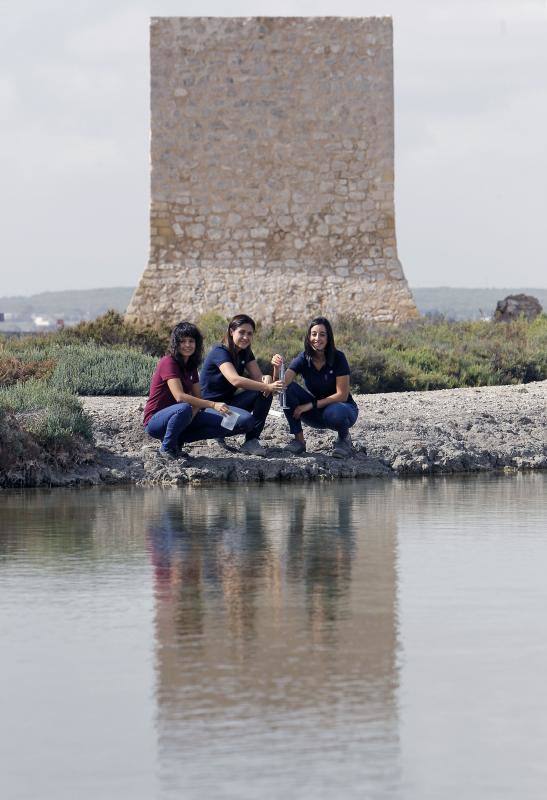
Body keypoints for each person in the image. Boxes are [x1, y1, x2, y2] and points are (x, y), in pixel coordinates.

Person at [143, 321, 256, 459]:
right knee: (183, 407)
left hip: (183, 417)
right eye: (182, 341)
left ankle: (178, 440)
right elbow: (180, 396)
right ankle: (167, 448)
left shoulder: (191, 366)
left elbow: (198, 398)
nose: (187, 345)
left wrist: (190, 419)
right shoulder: (168, 362)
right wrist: (213, 405)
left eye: (191, 341)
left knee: (240, 421)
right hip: (156, 421)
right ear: (175, 343)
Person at [200, 314, 284, 456]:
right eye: (242, 332)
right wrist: (266, 386)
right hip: (209, 407)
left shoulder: (245, 352)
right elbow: (235, 380)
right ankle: (214, 433)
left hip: (228, 404)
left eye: (249, 333)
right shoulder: (220, 352)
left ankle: (251, 441)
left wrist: (268, 377)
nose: (246, 337)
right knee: (246, 420)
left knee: (264, 393)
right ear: (231, 331)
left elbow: (258, 378)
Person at [279, 316, 358, 458]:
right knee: (288, 390)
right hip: (317, 413)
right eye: (314, 334)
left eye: (322, 334)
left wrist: (310, 405)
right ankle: (299, 440)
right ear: (308, 337)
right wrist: (276, 368)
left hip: (343, 410)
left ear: (329, 337)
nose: (317, 338)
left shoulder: (338, 357)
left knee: (335, 411)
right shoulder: (303, 358)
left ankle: (344, 439)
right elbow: (282, 385)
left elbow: (342, 395)